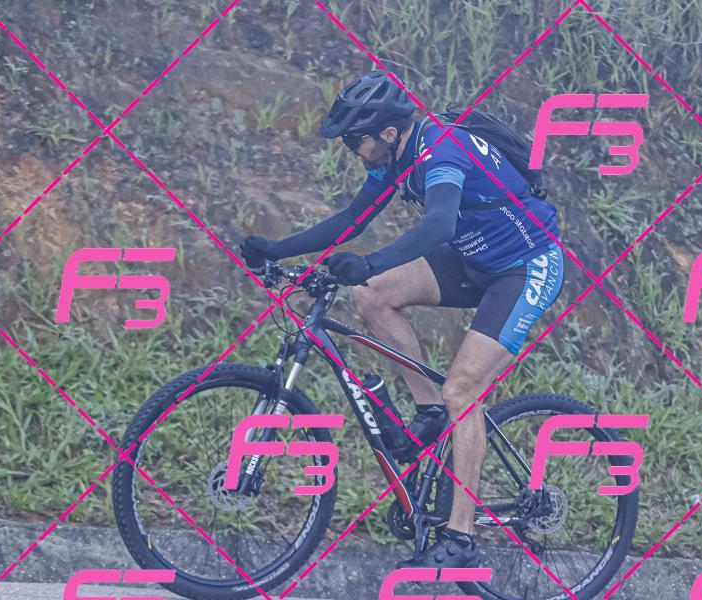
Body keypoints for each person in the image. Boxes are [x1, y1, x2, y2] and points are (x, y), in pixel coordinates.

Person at [239, 70, 564, 569]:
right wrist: (275, 249)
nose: (352, 149)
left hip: (526, 266)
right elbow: (351, 219)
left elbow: (440, 224)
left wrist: (370, 261)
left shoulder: (441, 152)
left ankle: (460, 539)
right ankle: (429, 412)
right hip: (474, 258)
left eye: (355, 140)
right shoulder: (396, 155)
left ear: (387, 132)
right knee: (372, 296)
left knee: (463, 390)